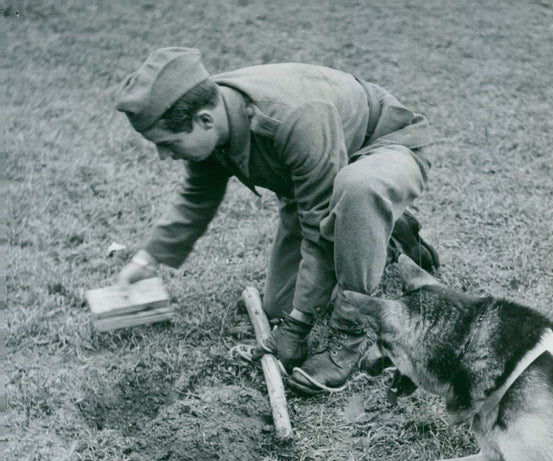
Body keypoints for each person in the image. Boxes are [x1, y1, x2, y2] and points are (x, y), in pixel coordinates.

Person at [115, 47, 439, 395]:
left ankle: (352, 336)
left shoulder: (293, 115)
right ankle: (376, 232)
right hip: (318, 180)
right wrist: (146, 260)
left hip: (383, 147)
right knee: (278, 308)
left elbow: (319, 231)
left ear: (205, 120)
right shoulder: (208, 112)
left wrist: (298, 327)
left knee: (357, 189)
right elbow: (197, 198)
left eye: (168, 143)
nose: (164, 155)